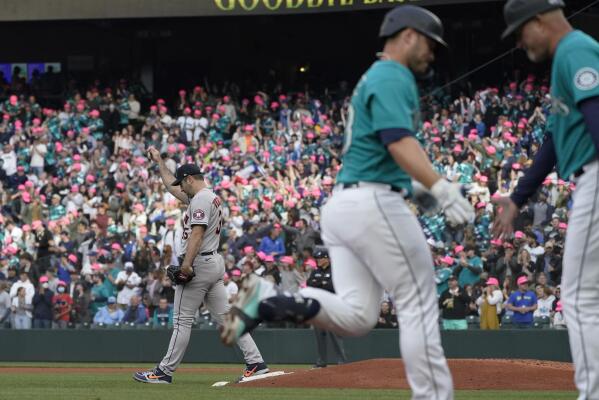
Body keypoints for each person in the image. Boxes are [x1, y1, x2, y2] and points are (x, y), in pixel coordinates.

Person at [221, 6, 474, 399]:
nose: (433, 53)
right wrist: (439, 185)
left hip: (346, 204)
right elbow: (397, 139)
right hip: (373, 203)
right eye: (429, 43)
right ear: (408, 35)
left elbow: (382, 150)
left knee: (358, 316)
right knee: (419, 304)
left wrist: (417, 188)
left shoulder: (373, 77)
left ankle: (269, 300)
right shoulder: (393, 74)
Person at [497, 0, 599, 396]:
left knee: (578, 296)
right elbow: (554, 141)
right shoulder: (564, 61)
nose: (520, 44)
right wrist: (517, 198)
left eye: (520, 33)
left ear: (538, 21)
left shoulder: (577, 50)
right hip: (586, 177)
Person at [133, 147, 268, 384]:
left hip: (199, 263)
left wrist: (186, 265)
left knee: (182, 320)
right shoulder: (208, 196)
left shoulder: (201, 200)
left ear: (189, 179)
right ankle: (256, 363)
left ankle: (164, 371)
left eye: (182, 183)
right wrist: (160, 162)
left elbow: (197, 233)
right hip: (213, 262)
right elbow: (170, 186)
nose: (180, 188)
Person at [306, 247, 347, 368]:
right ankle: (321, 362)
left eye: (319, 258)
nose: (317, 260)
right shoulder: (315, 271)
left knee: (335, 335)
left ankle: (342, 362)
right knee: (320, 336)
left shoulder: (335, 270)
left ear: (327, 259)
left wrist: (318, 283)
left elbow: (332, 287)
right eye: (316, 258)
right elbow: (309, 284)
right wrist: (322, 283)